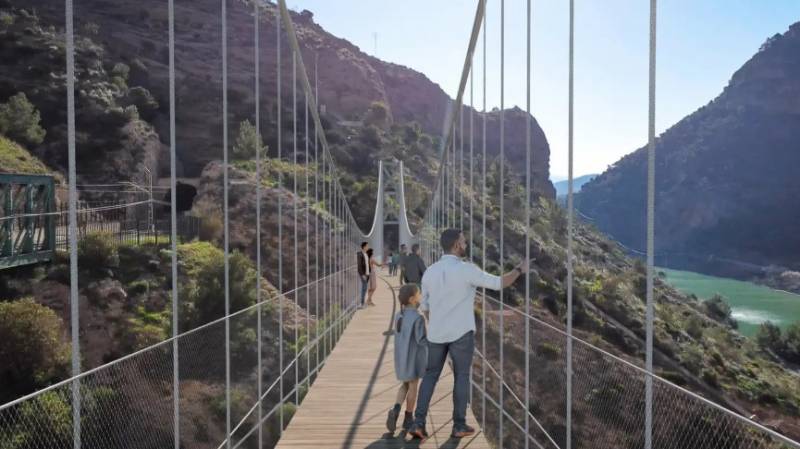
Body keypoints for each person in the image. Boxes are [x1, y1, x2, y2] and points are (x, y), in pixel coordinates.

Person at [408, 228, 532, 441]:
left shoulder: (430, 272)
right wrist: (520, 269)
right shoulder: (467, 270)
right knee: (462, 376)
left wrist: (436, 323)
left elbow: (425, 306)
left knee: (430, 376)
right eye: (464, 242)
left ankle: (418, 423)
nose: (466, 245)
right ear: (457, 245)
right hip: (461, 334)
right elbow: (499, 283)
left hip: (436, 333)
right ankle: (459, 425)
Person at [386, 284, 427, 433]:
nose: (421, 295)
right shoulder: (418, 317)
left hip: (400, 358)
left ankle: (395, 409)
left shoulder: (399, 315)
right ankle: (408, 418)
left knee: (404, 385)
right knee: (413, 387)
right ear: (412, 299)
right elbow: (421, 340)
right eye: (419, 293)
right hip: (413, 359)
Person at [356, 242, 370, 309]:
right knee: (364, 288)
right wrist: (362, 275)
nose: (368, 247)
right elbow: (359, 266)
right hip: (363, 274)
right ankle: (362, 304)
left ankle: (363, 303)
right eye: (367, 246)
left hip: (367, 273)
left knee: (365, 288)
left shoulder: (366, 254)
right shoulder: (360, 254)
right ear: (364, 247)